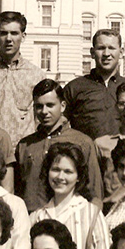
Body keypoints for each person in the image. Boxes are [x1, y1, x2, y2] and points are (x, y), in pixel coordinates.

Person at [14, 80, 104, 211]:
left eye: (50, 105)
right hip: (31, 220)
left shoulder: (83, 142)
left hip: (70, 219)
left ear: (62, 106)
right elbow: (17, 191)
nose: (44, 111)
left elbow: (95, 194)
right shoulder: (25, 145)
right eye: (39, 106)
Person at [38, 141, 111, 249]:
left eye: (68, 171)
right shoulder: (37, 217)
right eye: (55, 170)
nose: (60, 176)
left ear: (78, 177)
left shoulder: (92, 214)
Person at [0, 11, 49, 139]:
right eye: (4, 33)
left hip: (23, 150)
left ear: (23, 36)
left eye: (14, 33)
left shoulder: (37, 76)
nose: (9, 39)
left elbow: (42, 118)